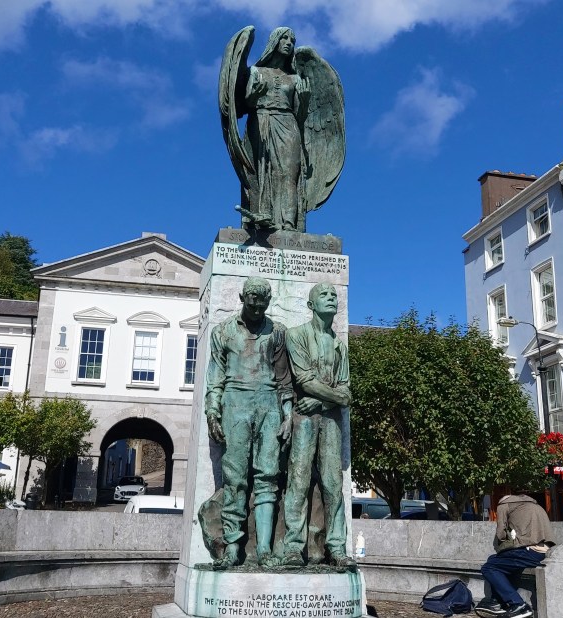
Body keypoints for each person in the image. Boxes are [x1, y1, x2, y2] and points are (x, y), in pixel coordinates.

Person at [205, 277, 294, 569]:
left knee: (268, 476)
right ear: (242, 297)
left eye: (262, 304)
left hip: (269, 404)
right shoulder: (222, 332)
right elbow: (215, 377)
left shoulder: (278, 332)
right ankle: (232, 548)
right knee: (234, 478)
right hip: (235, 403)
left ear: (269, 303)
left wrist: (288, 415)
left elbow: (284, 380)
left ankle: (264, 549)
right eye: (252, 302)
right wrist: (212, 412)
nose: (257, 308)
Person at [279, 282, 352, 567]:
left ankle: (337, 547)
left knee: (333, 484)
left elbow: (346, 393)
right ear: (311, 305)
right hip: (303, 418)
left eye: (334, 295)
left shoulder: (339, 345)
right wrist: (333, 397)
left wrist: (321, 402)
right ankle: (293, 547)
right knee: (298, 481)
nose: (331, 298)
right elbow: (304, 380)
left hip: (329, 418)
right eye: (324, 295)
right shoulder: (296, 335)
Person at [236, 27, 310, 232]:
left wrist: (304, 102)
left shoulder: (295, 79)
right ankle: (261, 216)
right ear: (275, 41)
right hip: (260, 120)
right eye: (284, 38)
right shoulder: (256, 71)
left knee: (290, 172)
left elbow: (300, 117)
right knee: (260, 170)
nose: (289, 43)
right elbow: (244, 105)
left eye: (292, 40)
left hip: (287, 123)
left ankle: (289, 223)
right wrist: (253, 97)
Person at [475, 494, 556, 618]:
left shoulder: (504, 504)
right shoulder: (535, 504)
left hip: (528, 551)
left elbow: (501, 533)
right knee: (497, 561)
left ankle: (518, 605)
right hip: (544, 551)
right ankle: (498, 602)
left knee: (489, 567)